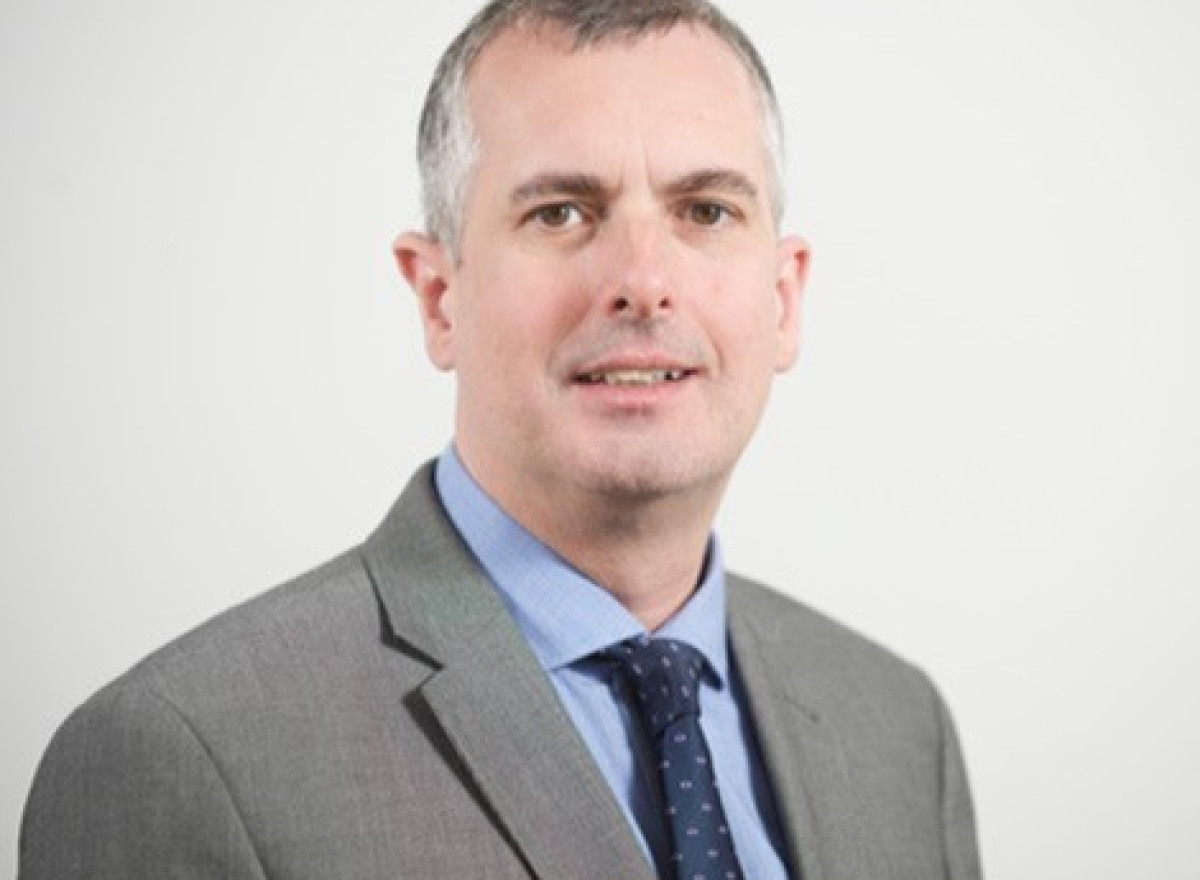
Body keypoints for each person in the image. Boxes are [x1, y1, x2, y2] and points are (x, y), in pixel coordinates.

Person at [19, 1, 982, 878]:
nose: (643, 282)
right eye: (561, 212)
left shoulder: (900, 729)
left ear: (784, 298)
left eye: (705, 211)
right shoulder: (184, 755)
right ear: (439, 297)